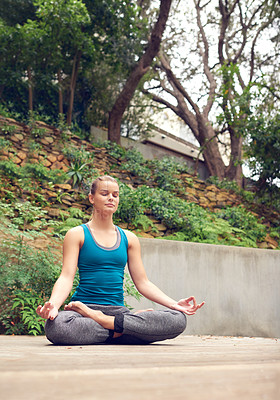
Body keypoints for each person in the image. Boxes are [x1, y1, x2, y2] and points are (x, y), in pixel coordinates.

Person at [37, 175, 204, 345]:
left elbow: (143, 283)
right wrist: (54, 305)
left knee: (178, 319)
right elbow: (66, 277)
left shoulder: (129, 238)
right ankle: (123, 330)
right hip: (82, 309)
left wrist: (174, 304)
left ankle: (107, 322)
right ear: (91, 198)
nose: (111, 198)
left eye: (115, 195)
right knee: (57, 327)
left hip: (117, 312)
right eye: (104, 193)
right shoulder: (77, 234)